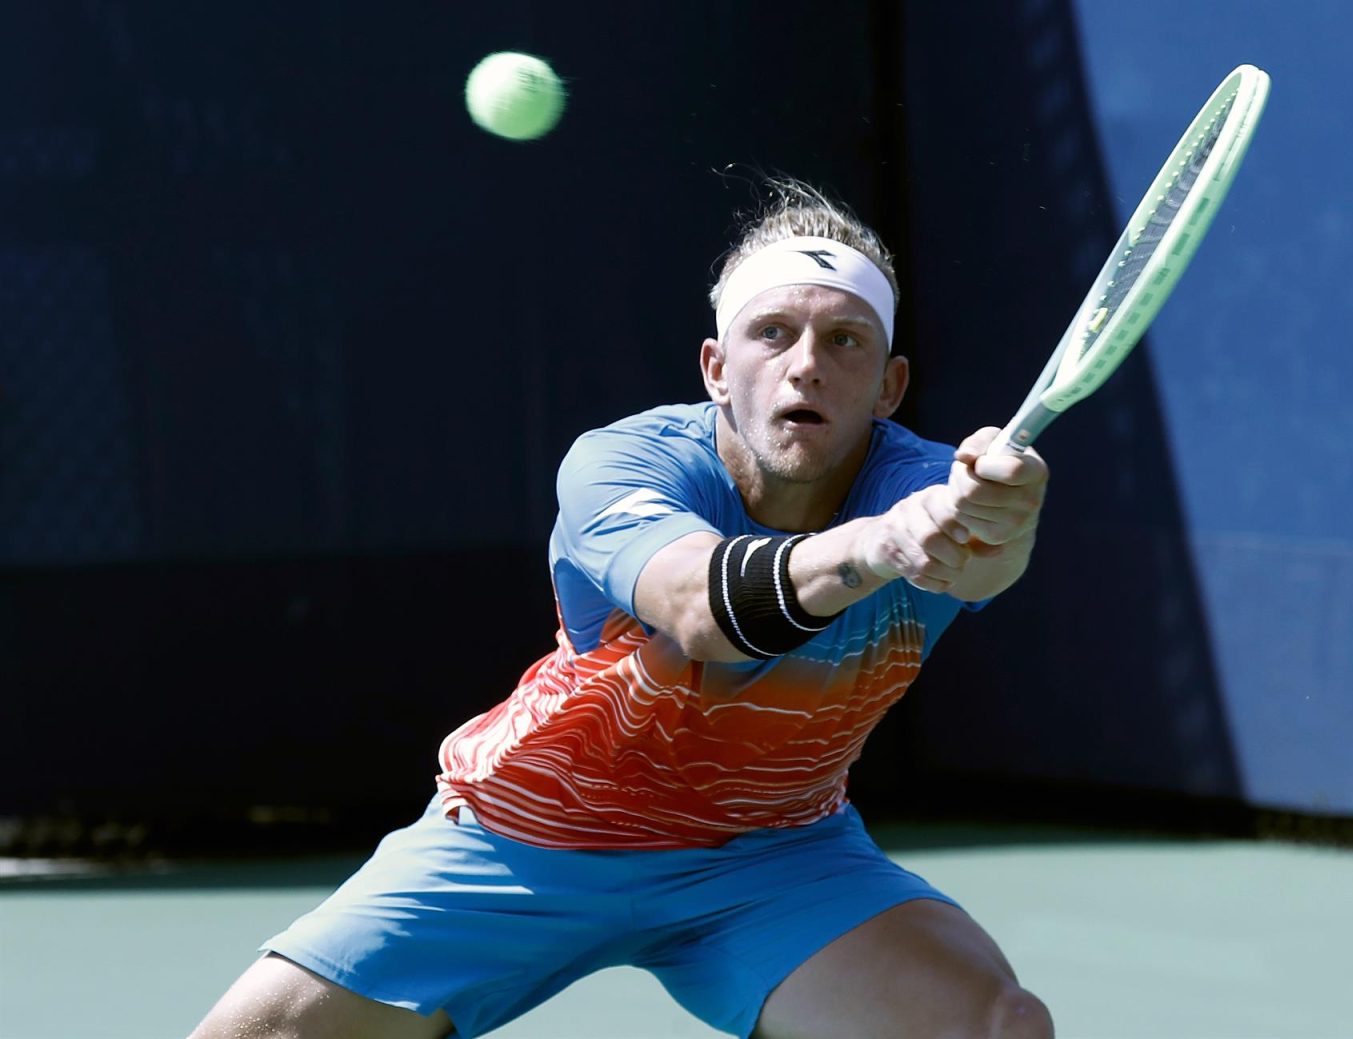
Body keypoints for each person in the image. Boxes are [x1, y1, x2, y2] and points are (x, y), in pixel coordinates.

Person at [190, 179, 1053, 1039]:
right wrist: (874, 546)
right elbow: (702, 609)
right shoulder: (622, 463)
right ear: (717, 367)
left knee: (993, 1025)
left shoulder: (924, 484)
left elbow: (985, 567)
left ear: (889, 385)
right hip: (529, 834)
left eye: (844, 339)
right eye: (772, 333)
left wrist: (1001, 521)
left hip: (775, 850)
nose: (806, 364)